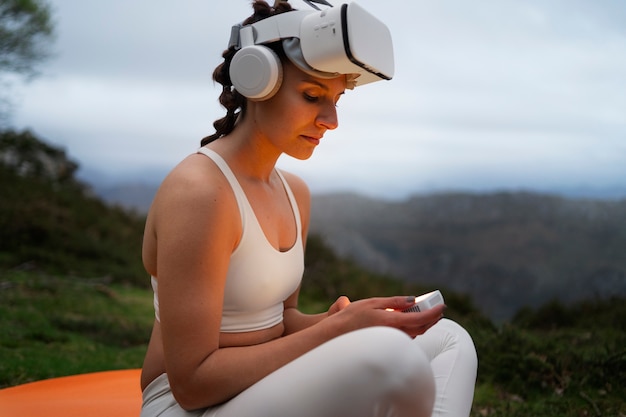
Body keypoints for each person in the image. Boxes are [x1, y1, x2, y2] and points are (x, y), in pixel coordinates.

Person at [139, 1, 477, 416]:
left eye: (336, 99)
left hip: (258, 386)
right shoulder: (199, 193)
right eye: (313, 95)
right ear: (257, 80)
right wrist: (336, 332)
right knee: (393, 359)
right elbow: (192, 382)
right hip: (187, 406)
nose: (331, 120)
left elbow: (280, 324)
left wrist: (351, 319)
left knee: (450, 338)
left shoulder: (294, 192)